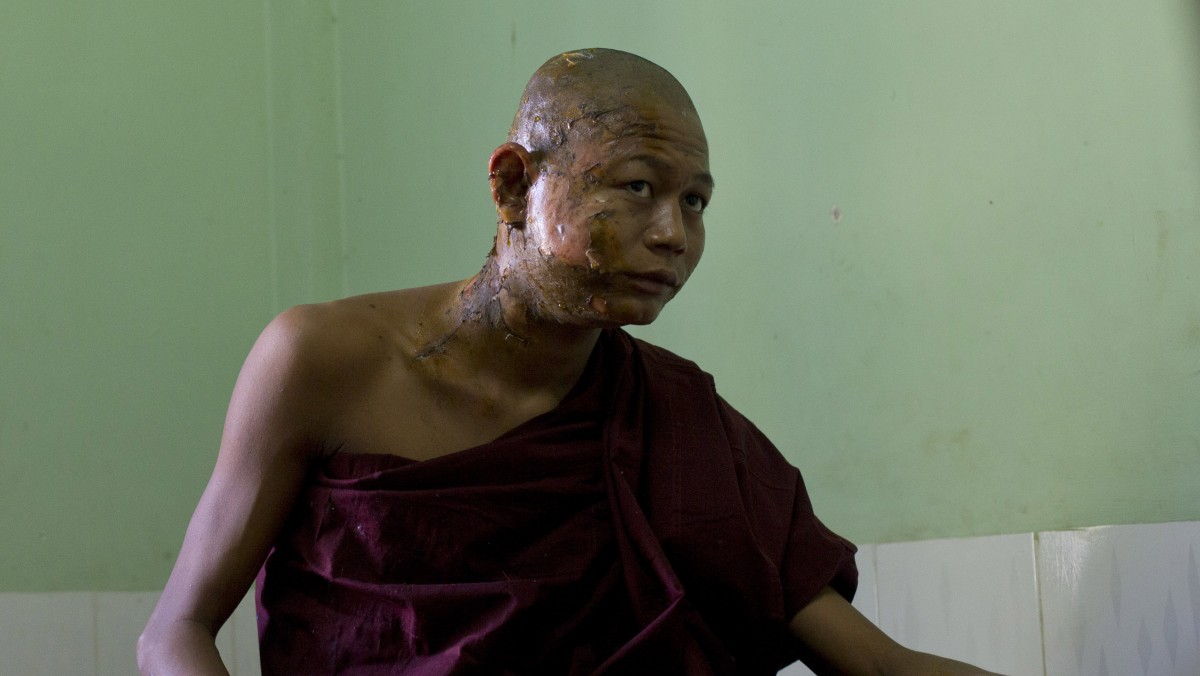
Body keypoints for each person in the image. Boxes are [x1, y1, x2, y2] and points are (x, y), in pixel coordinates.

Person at [138, 48, 997, 675]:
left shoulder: (670, 417)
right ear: (513, 185)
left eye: (694, 201)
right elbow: (172, 634)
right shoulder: (322, 362)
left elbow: (877, 668)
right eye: (635, 187)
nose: (673, 234)